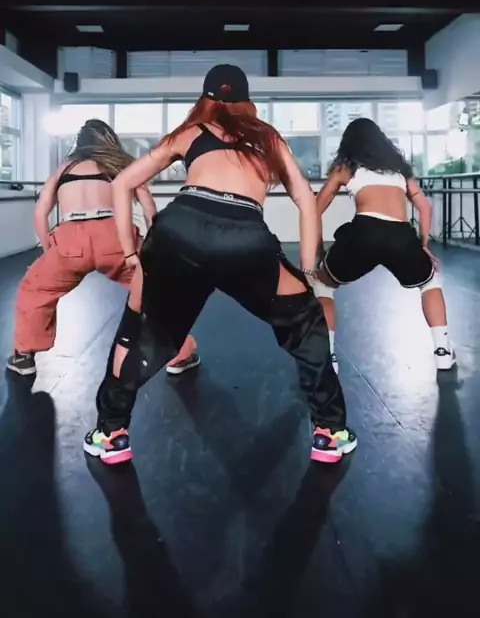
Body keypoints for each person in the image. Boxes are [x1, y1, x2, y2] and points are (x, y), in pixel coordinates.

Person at [83, 64, 357, 466]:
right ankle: (330, 433)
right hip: (244, 235)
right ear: (247, 101)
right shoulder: (267, 137)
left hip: (179, 228)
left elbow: (124, 182)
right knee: (307, 323)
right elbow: (304, 199)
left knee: (143, 333)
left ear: (205, 100)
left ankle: (110, 433)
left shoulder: (191, 132)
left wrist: (129, 252)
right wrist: (307, 270)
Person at [7, 118, 197, 377]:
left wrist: (50, 252)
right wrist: (153, 247)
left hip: (70, 240)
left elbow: (41, 214)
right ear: (109, 140)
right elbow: (149, 208)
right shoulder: (120, 165)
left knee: (35, 289)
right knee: (153, 292)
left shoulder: (63, 169)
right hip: (115, 237)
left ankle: (23, 357)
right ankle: (181, 354)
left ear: (79, 142)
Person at [313, 117, 455, 374]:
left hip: (364, 232)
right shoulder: (399, 170)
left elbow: (314, 209)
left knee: (323, 284)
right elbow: (424, 207)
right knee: (430, 282)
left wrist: (317, 247)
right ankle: (443, 352)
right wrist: (422, 245)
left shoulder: (346, 168)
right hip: (400, 234)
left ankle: (328, 358)